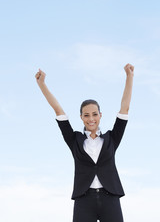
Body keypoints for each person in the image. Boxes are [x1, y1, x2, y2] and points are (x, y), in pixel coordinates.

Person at [35, 63, 134, 222]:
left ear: (100, 115)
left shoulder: (111, 138)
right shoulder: (74, 139)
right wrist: (42, 84)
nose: (91, 119)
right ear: (81, 117)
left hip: (110, 198)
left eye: (94, 114)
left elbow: (125, 108)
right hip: (84, 200)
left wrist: (129, 77)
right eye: (86, 115)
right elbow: (58, 111)